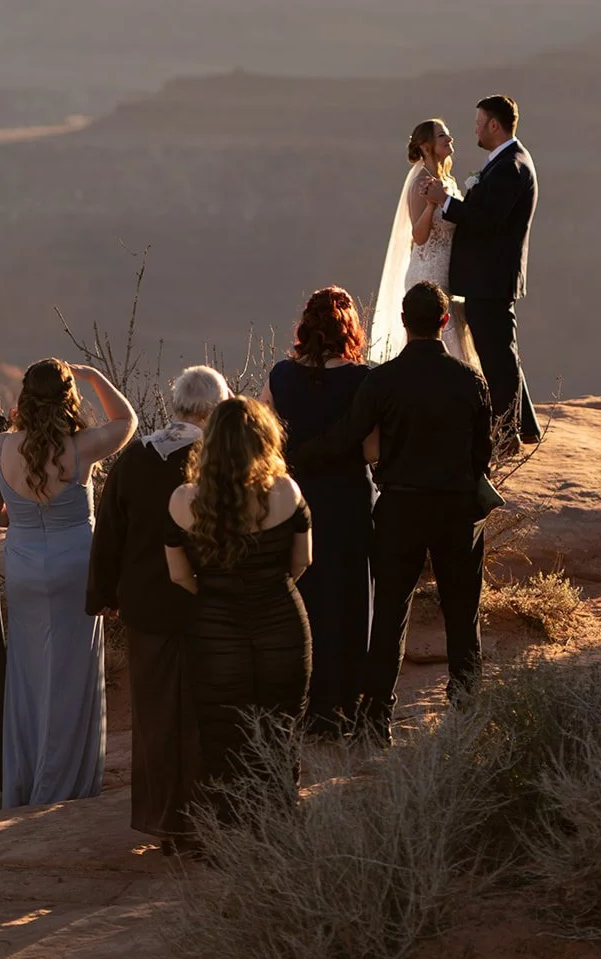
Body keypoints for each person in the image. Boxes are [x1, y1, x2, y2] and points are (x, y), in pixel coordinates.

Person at [298, 282, 492, 746]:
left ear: (404, 323)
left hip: (400, 508)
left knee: (389, 614)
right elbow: (482, 455)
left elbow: (348, 436)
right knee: (462, 615)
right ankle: (466, 711)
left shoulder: (382, 380)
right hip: (457, 511)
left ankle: (376, 718)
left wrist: (295, 456)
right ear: (444, 323)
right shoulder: (470, 381)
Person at [86, 365, 230, 851]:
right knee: (204, 713)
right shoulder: (220, 460)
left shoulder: (137, 457)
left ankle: (164, 821)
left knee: (155, 714)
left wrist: (103, 594)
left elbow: (110, 531)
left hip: (146, 606)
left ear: (178, 405)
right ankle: (205, 822)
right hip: (208, 607)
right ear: (215, 410)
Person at [164, 398, 312, 818]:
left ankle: (232, 833)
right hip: (281, 624)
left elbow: (178, 576)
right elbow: (302, 561)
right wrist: (268, 589)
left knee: (223, 737)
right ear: (264, 440)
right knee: (280, 731)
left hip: (214, 633)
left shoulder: (182, 500)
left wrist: (216, 594)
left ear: (209, 444)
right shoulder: (286, 491)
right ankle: (281, 826)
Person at [1, 359, 137, 808]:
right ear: (68, 399)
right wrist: (95, 376)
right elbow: (127, 420)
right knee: (72, 674)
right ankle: (63, 782)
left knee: (28, 675)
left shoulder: (3, 447)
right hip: (73, 570)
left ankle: (22, 778)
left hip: (21, 569)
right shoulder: (81, 448)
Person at [261, 288, 376, 738]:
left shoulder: (281, 376)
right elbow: (371, 450)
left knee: (301, 596)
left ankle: (300, 706)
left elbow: (265, 441)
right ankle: (342, 704)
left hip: (294, 499)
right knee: (347, 598)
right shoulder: (364, 380)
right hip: (347, 499)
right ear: (350, 328)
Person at [422, 95, 540, 450]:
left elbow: (489, 220)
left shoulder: (510, 166)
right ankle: (524, 425)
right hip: (486, 280)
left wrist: (446, 202)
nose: (473, 128)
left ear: (494, 124)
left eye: (478, 122)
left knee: (497, 359)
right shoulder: (503, 162)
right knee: (499, 353)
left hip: (490, 280)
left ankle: (507, 436)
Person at [370, 118, 478, 366]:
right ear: (426, 146)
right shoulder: (421, 181)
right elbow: (418, 237)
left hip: (447, 270)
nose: (450, 139)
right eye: (442, 136)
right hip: (428, 270)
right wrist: (431, 205)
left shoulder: (447, 180)